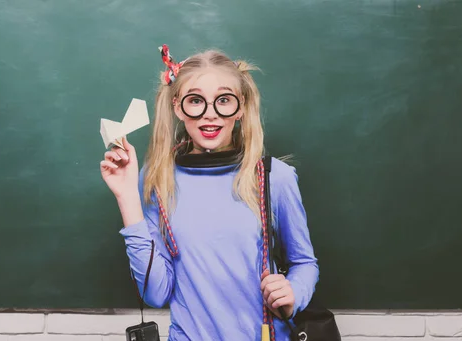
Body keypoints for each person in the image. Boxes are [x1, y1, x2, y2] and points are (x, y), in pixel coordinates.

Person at [100, 44, 319, 341]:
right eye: (196, 101)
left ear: (240, 106)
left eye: (224, 100)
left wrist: (295, 292)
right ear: (178, 106)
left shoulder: (273, 177)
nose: (210, 115)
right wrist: (127, 198)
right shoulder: (157, 179)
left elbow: (304, 263)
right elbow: (156, 293)